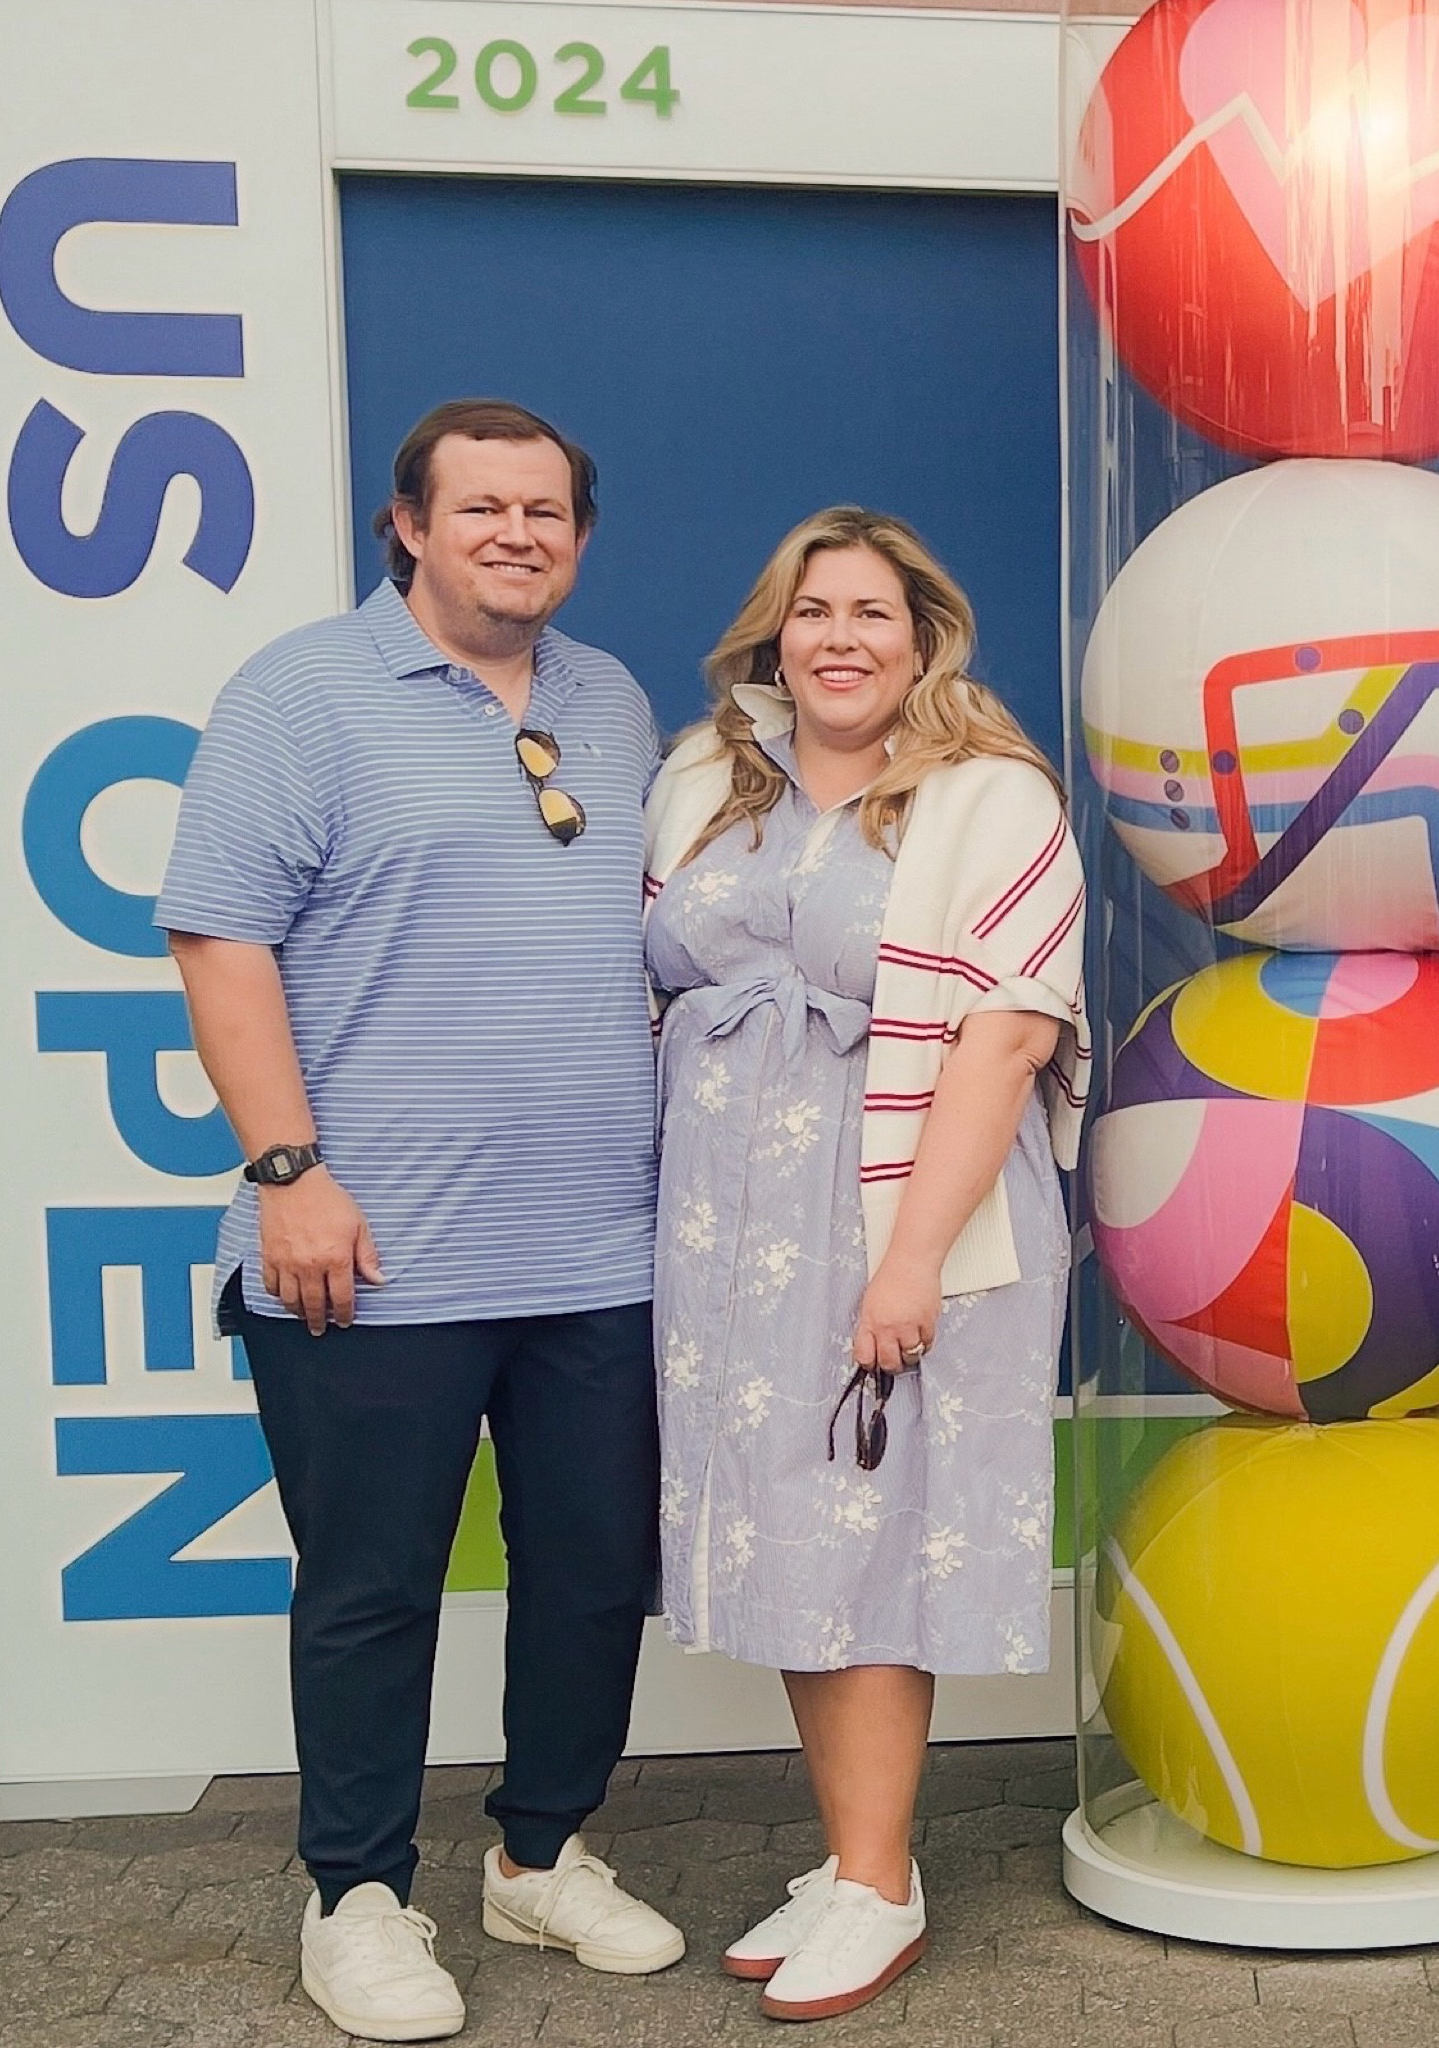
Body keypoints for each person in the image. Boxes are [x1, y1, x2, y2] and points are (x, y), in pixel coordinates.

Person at [156, 399, 684, 2044]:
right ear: (409, 526)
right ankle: (357, 1894)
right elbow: (219, 942)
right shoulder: (299, 698)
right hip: (367, 1251)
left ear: (577, 538)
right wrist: (287, 1173)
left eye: (547, 511)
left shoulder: (610, 701)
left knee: (595, 1572)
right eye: (482, 509)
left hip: (598, 1245)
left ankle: (538, 1852)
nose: (518, 534)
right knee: (372, 1584)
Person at [643, 507, 1088, 2024]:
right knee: (785, 1532)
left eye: (872, 615)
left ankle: (881, 1883)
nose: (839, 639)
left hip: (905, 1211)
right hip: (725, 1232)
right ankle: (850, 1862)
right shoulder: (707, 783)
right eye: (812, 611)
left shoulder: (987, 795)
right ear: (775, 635)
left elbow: (1009, 1036)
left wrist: (904, 1260)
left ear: (922, 639)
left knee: (868, 1538)